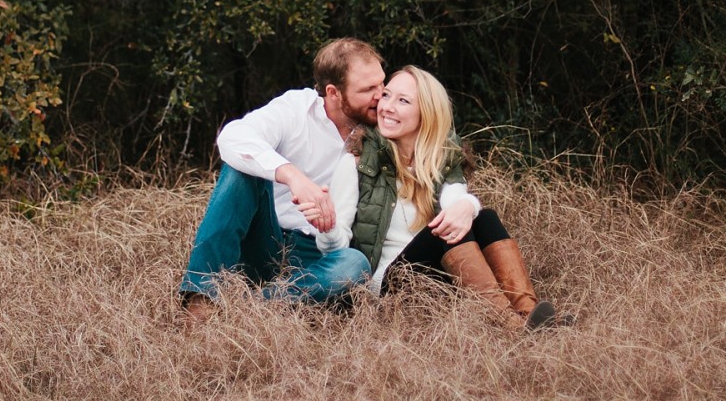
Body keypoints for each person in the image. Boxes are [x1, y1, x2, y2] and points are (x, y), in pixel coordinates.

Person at [319, 64, 568, 330]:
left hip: (439, 279)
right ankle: (509, 325)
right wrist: (327, 225)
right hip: (389, 287)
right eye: (387, 95)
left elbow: (455, 197)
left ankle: (528, 313)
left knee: (484, 218)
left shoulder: (441, 159)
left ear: (425, 112)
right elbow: (335, 248)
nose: (387, 106)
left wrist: (468, 206)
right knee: (443, 231)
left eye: (403, 101)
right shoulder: (357, 163)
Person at [178, 38, 383, 321]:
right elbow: (233, 137)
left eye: (381, 83)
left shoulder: (385, 126)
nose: (381, 95)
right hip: (266, 240)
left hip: (319, 256)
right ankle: (201, 302)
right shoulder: (296, 108)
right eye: (368, 89)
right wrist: (292, 176)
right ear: (334, 92)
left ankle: (251, 310)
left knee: (353, 265)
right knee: (242, 169)